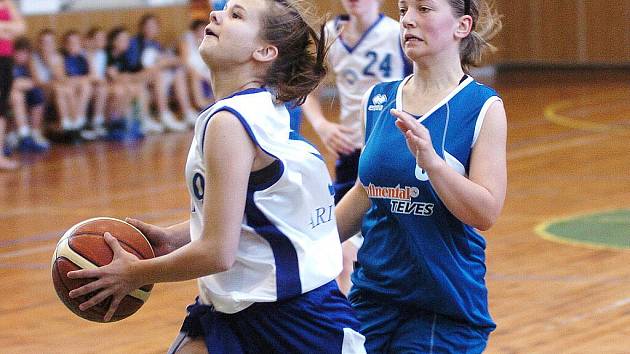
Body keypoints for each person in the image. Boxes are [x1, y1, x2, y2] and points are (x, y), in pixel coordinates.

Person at [67, 1, 366, 353]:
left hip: (292, 322)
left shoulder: (230, 121)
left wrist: (134, 274)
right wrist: (173, 237)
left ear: (265, 51)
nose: (215, 14)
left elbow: (217, 252)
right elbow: (252, 210)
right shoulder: (264, 107)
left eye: (236, 15)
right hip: (237, 306)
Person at [334, 0, 506, 352]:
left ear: (462, 26)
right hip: (371, 298)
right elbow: (366, 193)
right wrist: (296, 237)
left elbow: (486, 212)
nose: (408, 20)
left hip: (443, 306)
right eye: (402, 10)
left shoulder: (483, 107)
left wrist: (434, 164)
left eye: (424, 9)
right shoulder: (378, 98)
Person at [301, 0, 410, 295]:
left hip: (391, 148)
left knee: (388, 232)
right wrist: (322, 126)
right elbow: (307, 88)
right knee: (342, 239)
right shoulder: (332, 32)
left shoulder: (397, 33)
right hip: (351, 148)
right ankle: (349, 310)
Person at [11, 36, 49, 152]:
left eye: (26, 53)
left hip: (26, 92)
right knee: (17, 95)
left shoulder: (29, 63)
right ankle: (23, 135)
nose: (23, 56)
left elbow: (37, 82)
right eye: (20, 53)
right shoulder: (7, 63)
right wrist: (21, 84)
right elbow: (8, 84)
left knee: (38, 93)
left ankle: (35, 132)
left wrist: (27, 82)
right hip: (10, 95)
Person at [0, 0, 24, 170]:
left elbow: (21, 27)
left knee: (0, 109)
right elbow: (13, 28)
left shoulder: (6, 2)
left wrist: (2, 28)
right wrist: (8, 28)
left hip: (4, 60)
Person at [179, 19, 214, 112]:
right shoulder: (186, 39)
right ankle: (201, 104)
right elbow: (184, 61)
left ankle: (217, 100)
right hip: (187, 69)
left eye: (204, 30)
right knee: (196, 75)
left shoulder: (208, 39)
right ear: (194, 30)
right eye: (200, 30)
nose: (202, 32)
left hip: (203, 68)